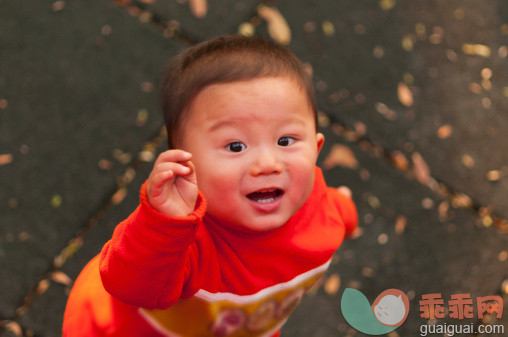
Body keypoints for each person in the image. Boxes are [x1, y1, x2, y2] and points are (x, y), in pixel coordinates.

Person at [63, 34, 358, 337]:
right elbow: (130, 285)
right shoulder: (187, 244)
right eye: (235, 146)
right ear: (186, 165)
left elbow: (340, 212)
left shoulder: (324, 210)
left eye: (285, 141)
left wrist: (347, 216)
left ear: (316, 150)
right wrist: (163, 224)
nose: (269, 163)